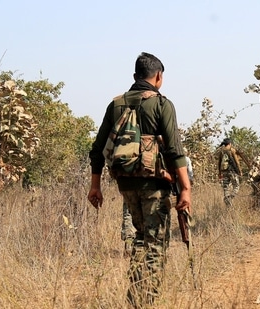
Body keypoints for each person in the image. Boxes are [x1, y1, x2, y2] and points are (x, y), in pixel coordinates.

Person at [88, 52, 191, 307]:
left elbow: (98, 148)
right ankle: (148, 302)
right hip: (154, 185)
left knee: (141, 239)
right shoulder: (161, 104)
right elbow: (174, 150)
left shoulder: (116, 104)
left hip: (126, 184)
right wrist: (185, 189)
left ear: (135, 76)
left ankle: (134, 298)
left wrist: (95, 186)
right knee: (155, 244)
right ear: (158, 76)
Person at [218, 138, 242, 206]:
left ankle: (227, 200)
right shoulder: (232, 150)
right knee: (236, 186)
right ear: (230, 144)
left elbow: (219, 163)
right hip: (232, 172)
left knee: (226, 187)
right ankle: (230, 198)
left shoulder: (221, 151)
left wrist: (219, 173)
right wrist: (239, 171)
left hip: (224, 172)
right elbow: (237, 162)